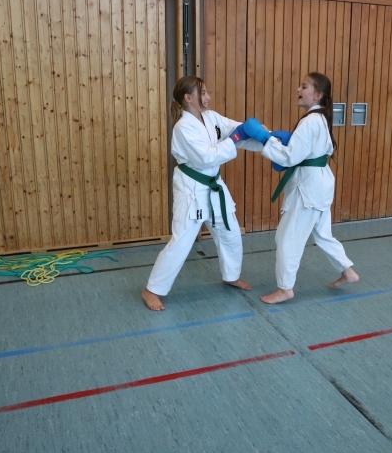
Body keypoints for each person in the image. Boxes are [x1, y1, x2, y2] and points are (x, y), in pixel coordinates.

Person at [141, 76, 262, 311]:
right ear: (188, 98)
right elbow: (207, 157)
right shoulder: (183, 128)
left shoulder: (211, 118)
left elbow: (237, 131)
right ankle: (152, 289)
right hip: (192, 190)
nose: (208, 97)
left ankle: (231, 275)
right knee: (181, 242)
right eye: (203, 93)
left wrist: (265, 136)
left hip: (215, 187)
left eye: (207, 92)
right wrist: (236, 139)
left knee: (230, 232)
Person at [248, 72, 359, 304]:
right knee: (322, 233)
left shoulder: (310, 121)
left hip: (308, 187)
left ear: (317, 95)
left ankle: (285, 288)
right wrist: (270, 137)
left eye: (304, 86)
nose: (299, 89)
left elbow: (290, 157)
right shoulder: (319, 118)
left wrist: (265, 139)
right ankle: (348, 271)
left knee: (287, 238)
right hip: (319, 183)